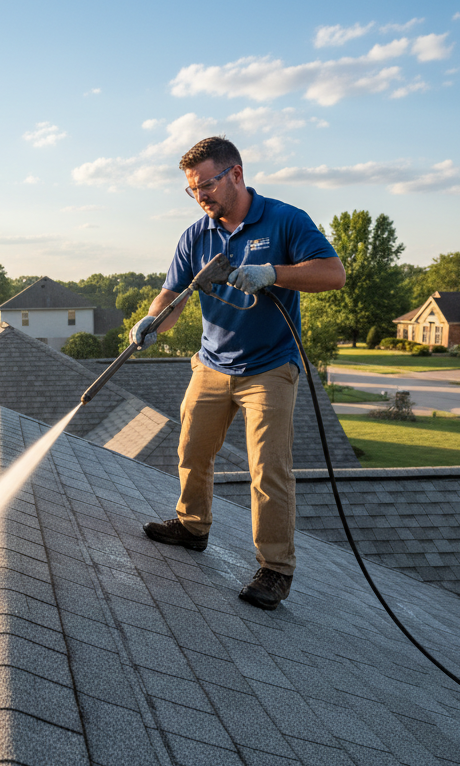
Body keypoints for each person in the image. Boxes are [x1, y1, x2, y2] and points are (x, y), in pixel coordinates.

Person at [131, 136, 345, 610]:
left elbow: (333, 273)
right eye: (192, 190)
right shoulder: (196, 236)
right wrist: (151, 321)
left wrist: (275, 273)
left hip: (269, 366)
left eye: (206, 184)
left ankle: (275, 568)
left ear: (236, 174)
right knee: (191, 447)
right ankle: (191, 526)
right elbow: (172, 297)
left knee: (268, 468)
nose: (200, 196)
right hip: (212, 363)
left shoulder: (285, 219)